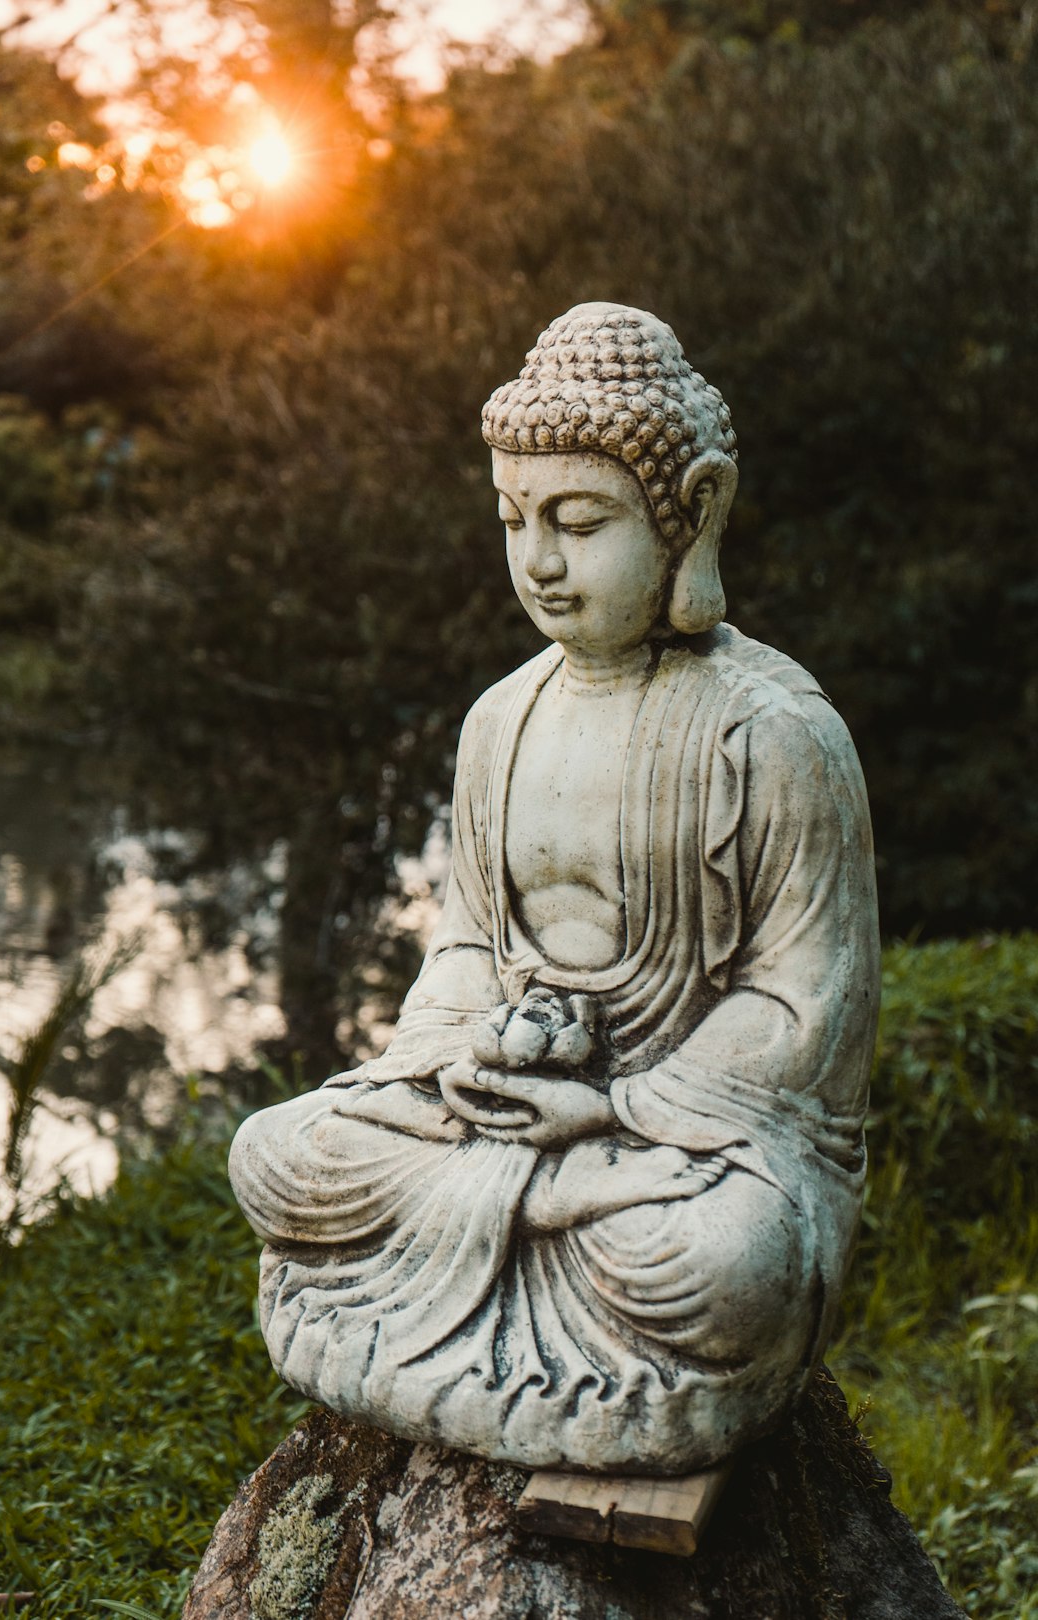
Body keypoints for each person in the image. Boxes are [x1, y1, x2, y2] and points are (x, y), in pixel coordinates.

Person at [229, 302, 880, 1475]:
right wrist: (461, 1055)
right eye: (515, 518)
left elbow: (804, 1006)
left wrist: (612, 1110)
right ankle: (530, 1232)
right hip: (506, 1105)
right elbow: (470, 941)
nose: (539, 560)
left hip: (672, 1145)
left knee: (721, 1269)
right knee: (278, 1154)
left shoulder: (775, 734)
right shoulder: (500, 722)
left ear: (693, 512)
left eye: (581, 522)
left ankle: (517, 1245)